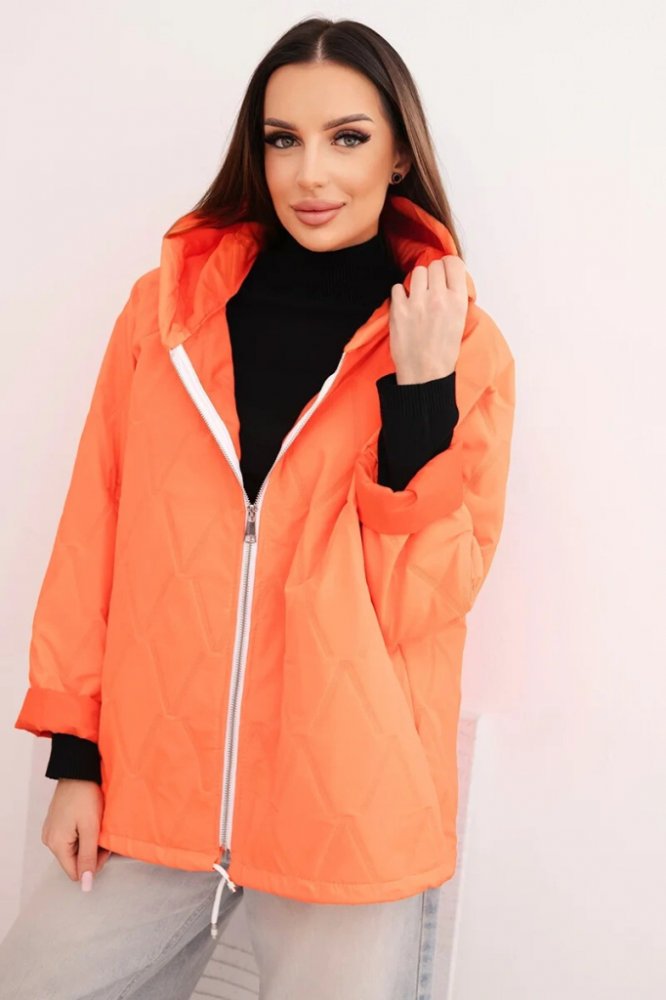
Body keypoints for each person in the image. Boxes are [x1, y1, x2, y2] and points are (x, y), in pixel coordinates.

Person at [0, 15, 516, 1000]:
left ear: (399, 153)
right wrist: (77, 755)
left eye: (347, 137)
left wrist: (421, 398)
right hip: (154, 785)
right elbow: (93, 530)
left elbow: (423, 601)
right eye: (284, 139)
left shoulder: (462, 348)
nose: (310, 173)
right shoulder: (164, 317)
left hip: (346, 805)